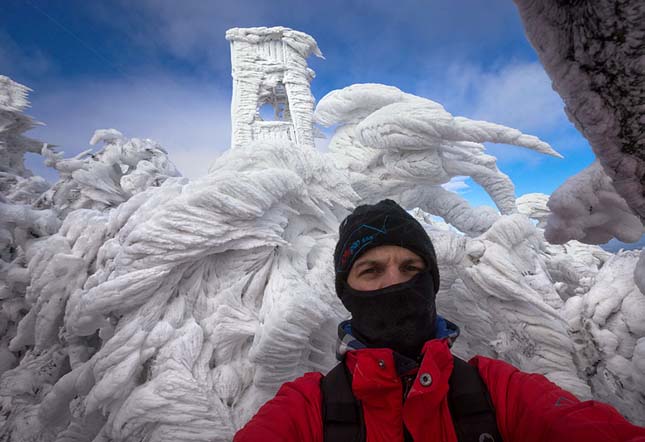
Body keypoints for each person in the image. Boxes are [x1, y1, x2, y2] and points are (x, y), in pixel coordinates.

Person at [234, 199, 645, 441]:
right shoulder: (308, 408)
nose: (395, 283)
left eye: (411, 268)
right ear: (348, 293)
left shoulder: (497, 391)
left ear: (431, 282)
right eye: (371, 271)